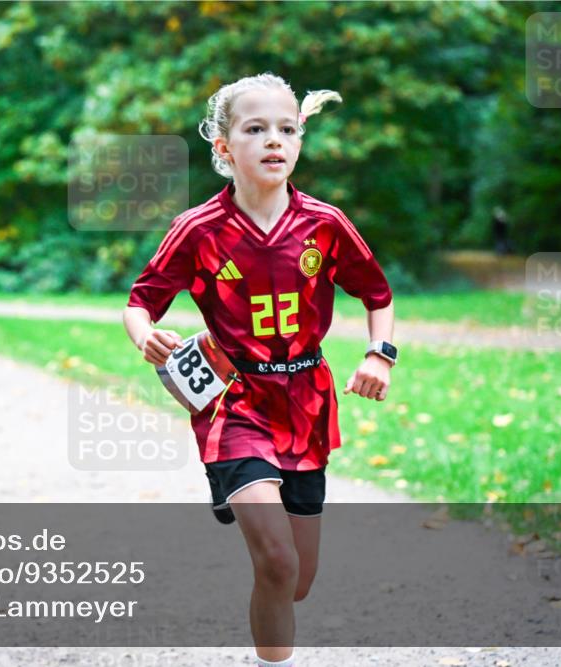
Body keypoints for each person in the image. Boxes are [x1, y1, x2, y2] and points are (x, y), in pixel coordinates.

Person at [123, 73, 397, 667]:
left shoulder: (324, 224)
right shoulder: (198, 230)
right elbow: (141, 300)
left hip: (306, 401)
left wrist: (380, 354)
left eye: (287, 128)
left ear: (299, 141)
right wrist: (147, 336)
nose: (275, 140)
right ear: (224, 148)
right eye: (256, 129)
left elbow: (377, 295)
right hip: (233, 400)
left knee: (296, 578)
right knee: (275, 561)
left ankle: (267, 575)